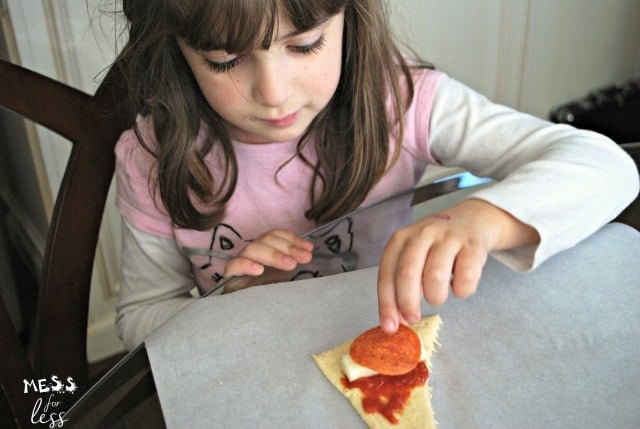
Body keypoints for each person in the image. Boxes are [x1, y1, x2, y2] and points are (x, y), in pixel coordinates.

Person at [113, 0, 639, 350]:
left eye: (305, 45)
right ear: (177, 53)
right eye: (225, 61)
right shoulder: (149, 158)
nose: (273, 93)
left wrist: (487, 219)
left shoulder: (401, 101)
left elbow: (608, 166)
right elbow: (139, 318)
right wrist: (229, 307)